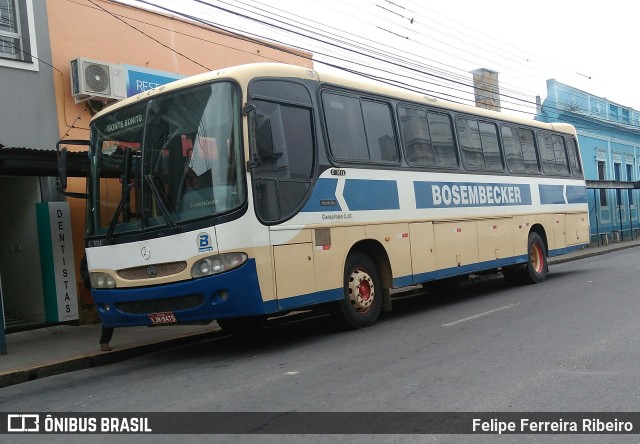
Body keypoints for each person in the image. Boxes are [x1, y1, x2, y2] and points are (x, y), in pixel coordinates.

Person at [80, 254, 114, 352]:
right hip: (100, 285)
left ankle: (104, 341)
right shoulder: (91, 253)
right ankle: (104, 341)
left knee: (109, 312)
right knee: (107, 312)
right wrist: (89, 286)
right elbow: (84, 269)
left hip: (109, 283)